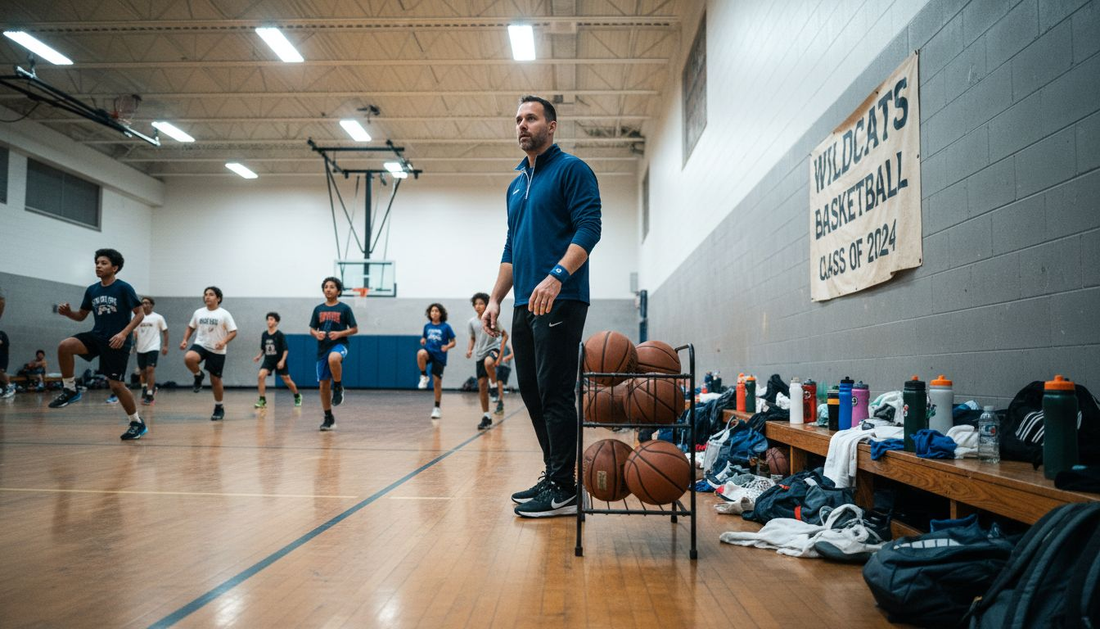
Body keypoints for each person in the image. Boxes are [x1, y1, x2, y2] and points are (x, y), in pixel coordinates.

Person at [482, 95, 601, 518]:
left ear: (551, 126)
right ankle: (556, 476)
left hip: (562, 296)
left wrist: (557, 276)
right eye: (517, 119)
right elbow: (512, 246)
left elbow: (590, 229)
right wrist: (495, 297)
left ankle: (564, 488)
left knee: (554, 392)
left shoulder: (572, 170)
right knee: (531, 391)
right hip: (523, 301)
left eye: (531, 118)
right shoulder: (516, 185)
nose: (522, 125)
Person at [49, 248, 148, 441]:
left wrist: (123, 333)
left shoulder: (123, 288)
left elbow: (140, 313)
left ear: (115, 267)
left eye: (103, 263)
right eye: (97, 263)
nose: (98, 266)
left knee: (117, 385)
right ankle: (70, 389)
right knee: (65, 346)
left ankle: (136, 422)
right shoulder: (92, 290)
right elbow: (81, 316)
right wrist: (69, 313)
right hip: (97, 336)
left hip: (117, 341)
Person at [179, 287, 237, 421]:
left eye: (211, 294)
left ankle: (219, 406)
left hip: (217, 349)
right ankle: (198, 375)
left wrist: (223, 342)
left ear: (218, 298)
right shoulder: (198, 312)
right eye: (206, 294)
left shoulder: (224, 314)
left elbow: (233, 331)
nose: (207, 297)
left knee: (215, 380)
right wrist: (185, 340)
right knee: (189, 358)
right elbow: (191, 327)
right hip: (201, 344)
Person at [309, 277, 358, 431]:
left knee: (334, 358)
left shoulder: (344, 308)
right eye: (326, 287)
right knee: (323, 385)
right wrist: (316, 335)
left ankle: (338, 387)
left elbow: (355, 329)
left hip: (339, 344)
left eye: (332, 287)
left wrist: (339, 333)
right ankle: (328, 417)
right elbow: (312, 329)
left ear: (338, 291)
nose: (328, 289)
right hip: (322, 348)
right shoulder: (318, 309)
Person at [467, 292, 508, 430]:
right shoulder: (472, 322)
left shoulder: (492, 318)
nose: (478, 306)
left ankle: (494, 386)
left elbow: (505, 335)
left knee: (489, 363)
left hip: (493, 348)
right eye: (476, 304)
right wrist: (470, 349)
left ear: (486, 305)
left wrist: (501, 354)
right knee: (482, 386)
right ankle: (486, 416)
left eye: (481, 303)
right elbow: (472, 338)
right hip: (479, 353)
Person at [253, 311, 302, 409]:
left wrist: (282, 361)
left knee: (287, 380)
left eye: (271, 319)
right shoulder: (264, 334)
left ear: (276, 322)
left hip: (279, 360)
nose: (269, 321)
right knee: (261, 376)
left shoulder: (280, 335)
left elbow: (285, 349)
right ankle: (262, 400)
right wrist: (259, 356)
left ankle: (297, 395)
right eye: (268, 319)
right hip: (268, 361)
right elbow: (264, 348)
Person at [417, 303, 455, 419]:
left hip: (440, 355)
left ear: (441, 313)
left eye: (437, 311)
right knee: (420, 353)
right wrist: (423, 340)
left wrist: (447, 347)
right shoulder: (427, 326)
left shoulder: (446, 327)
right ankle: (424, 376)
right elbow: (424, 337)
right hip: (429, 353)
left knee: (437, 382)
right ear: (429, 313)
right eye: (432, 311)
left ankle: (437, 408)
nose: (434, 313)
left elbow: (453, 342)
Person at [132, 296, 168, 405]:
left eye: (147, 303)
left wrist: (165, 346)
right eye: (143, 303)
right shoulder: (137, 317)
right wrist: (133, 345)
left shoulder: (158, 318)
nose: (144, 305)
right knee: (142, 372)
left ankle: (149, 394)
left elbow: (165, 332)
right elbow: (135, 333)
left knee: (150, 369)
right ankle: (144, 388)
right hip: (141, 348)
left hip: (153, 347)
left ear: (151, 305)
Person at [491, 341, 513, 412]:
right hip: (498, 366)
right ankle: (499, 402)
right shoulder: (495, 344)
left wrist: (506, 358)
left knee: (499, 383)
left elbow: (513, 354)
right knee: (498, 383)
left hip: (504, 367)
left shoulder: (508, 344)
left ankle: (500, 401)